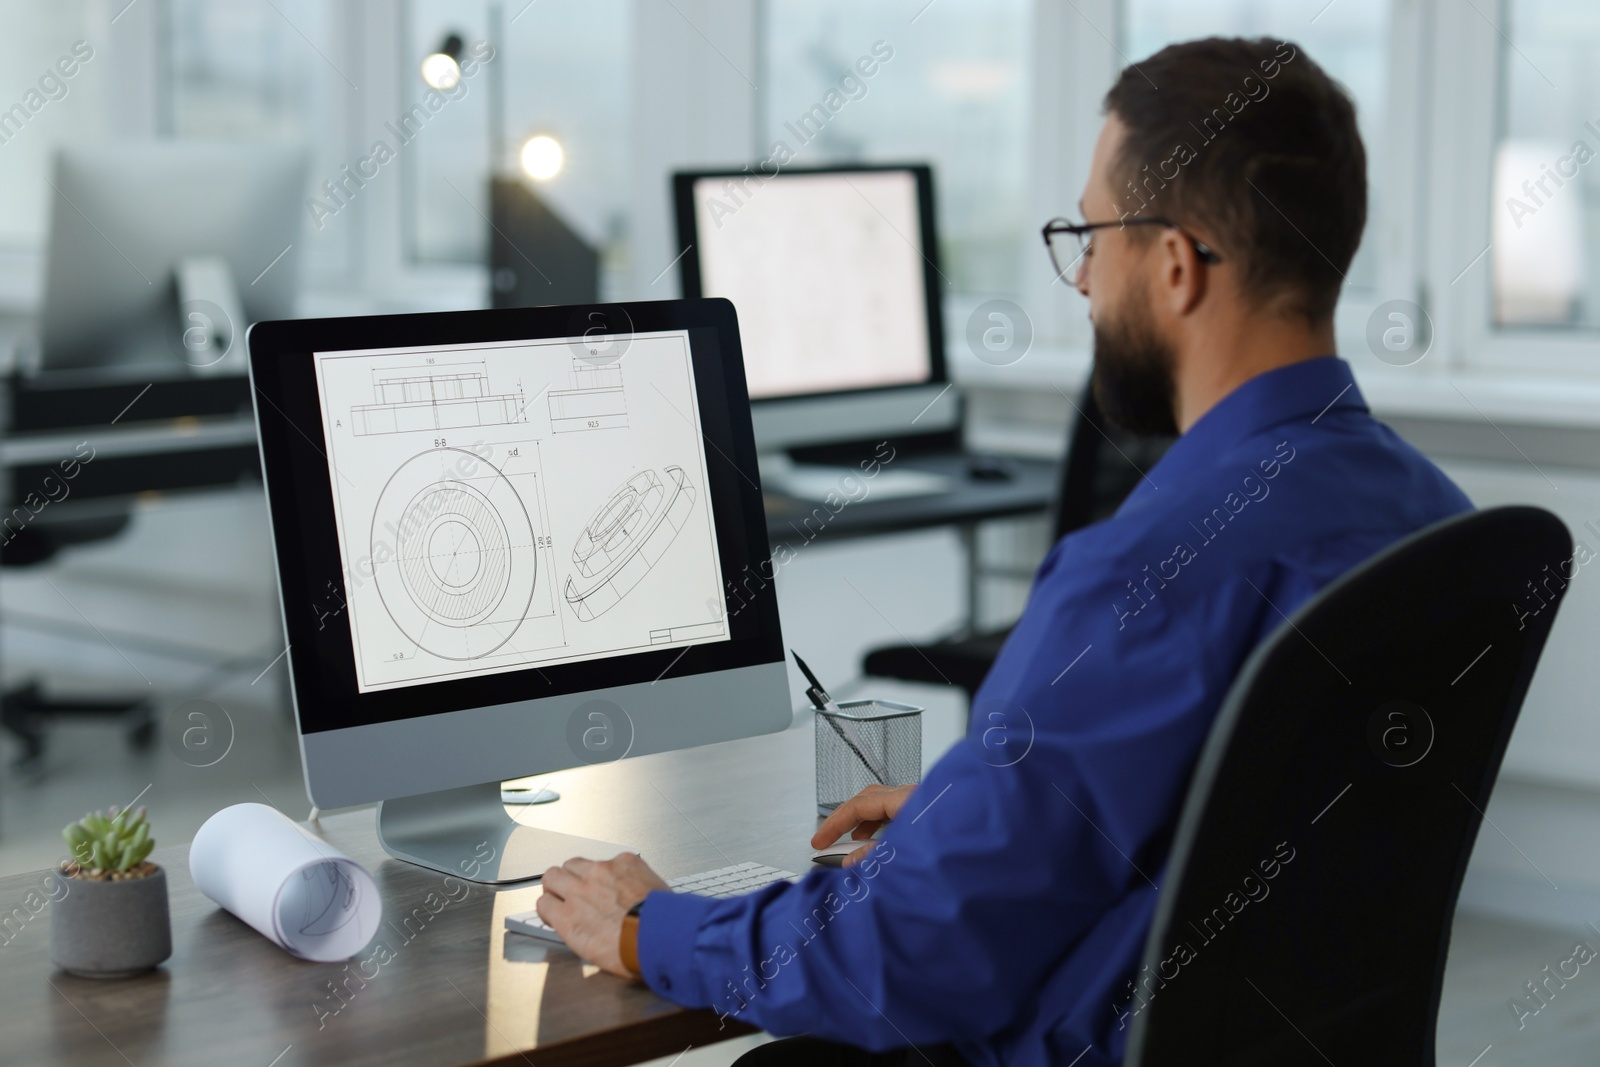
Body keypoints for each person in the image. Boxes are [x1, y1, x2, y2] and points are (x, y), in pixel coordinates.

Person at [534, 36, 1472, 1067]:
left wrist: (646, 923)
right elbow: (1238, 818)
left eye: (1090, 236)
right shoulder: (1435, 516)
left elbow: (896, 963)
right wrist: (974, 808)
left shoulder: (1145, 573)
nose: (1079, 280)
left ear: (1172, 263)